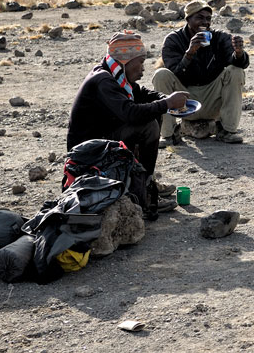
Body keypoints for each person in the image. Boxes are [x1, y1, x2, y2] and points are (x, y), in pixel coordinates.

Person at [67, 31, 189, 217]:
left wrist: (166, 100)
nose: (142, 69)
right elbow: (130, 113)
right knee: (148, 124)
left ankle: (144, 182)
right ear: (126, 61)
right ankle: (144, 192)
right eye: (140, 63)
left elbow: (143, 94)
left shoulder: (115, 74)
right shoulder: (103, 80)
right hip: (90, 153)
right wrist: (168, 104)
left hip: (104, 139)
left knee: (154, 112)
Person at [153, 0, 249, 145]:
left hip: (212, 98)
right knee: (161, 74)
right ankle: (168, 134)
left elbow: (240, 64)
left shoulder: (219, 37)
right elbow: (175, 72)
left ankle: (228, 131)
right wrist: (189, 53)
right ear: (188, 19)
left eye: (208, 18)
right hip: (185, 101)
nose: (205, 22)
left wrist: (239, 52)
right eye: (199, 18)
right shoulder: (173, 40)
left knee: (235, 71)